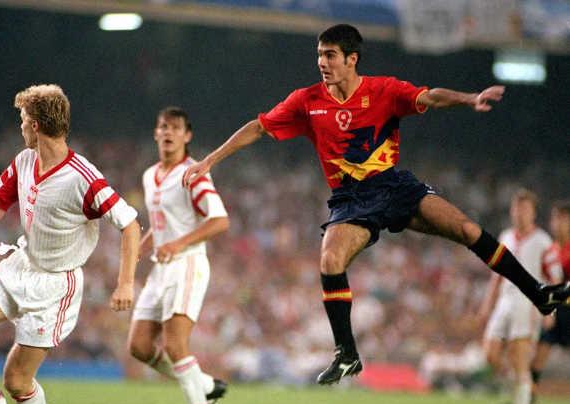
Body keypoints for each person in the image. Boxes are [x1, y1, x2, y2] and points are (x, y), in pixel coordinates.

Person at [182, 24, 570, 385]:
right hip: (351, 199)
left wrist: (469, 98)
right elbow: (258, 127)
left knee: (468, 230)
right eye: (319, 55)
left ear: (352, 59)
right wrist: (208, 161)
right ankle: (346, 353)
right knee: (330, 259)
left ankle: (539, 293)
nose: (322, 62)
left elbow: (429, 96)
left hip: (393, 185)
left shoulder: (383, 90)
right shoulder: (307, 101)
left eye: (330, 55)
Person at [0, 84, 140, 404]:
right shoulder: (24, 161)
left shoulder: (84, 178)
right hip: (20, 266)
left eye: (22, 120)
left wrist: (126, 283)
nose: (20, 126)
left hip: (55, 285)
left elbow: (130, 224)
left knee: (17, 380)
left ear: (35, 125)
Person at [128, 107, 229, 404]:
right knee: (139, 346)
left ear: (187, 135)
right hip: (161, 268)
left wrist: (178, 243)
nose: (168, 132)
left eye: (175, 127)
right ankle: (205, 385)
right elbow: (162, 225)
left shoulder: (193, 174)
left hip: (187, 263)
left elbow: (219, 220)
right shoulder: (150, 175)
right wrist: (142, 246)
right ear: (156, 133)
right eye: (163, 126)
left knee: (175, 344)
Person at [478, 189, 562, 404]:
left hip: (527, 302)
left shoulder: (543, 242)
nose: (519, 213)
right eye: (516, 208)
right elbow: (496, 274)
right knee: (490, 354)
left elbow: (554, 277)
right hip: (505, 300)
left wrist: (551, 309)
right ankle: (516, 391)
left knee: (520, 358)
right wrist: (487, 304)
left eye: (524, 209)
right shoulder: (506, 236)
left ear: (533, 212)